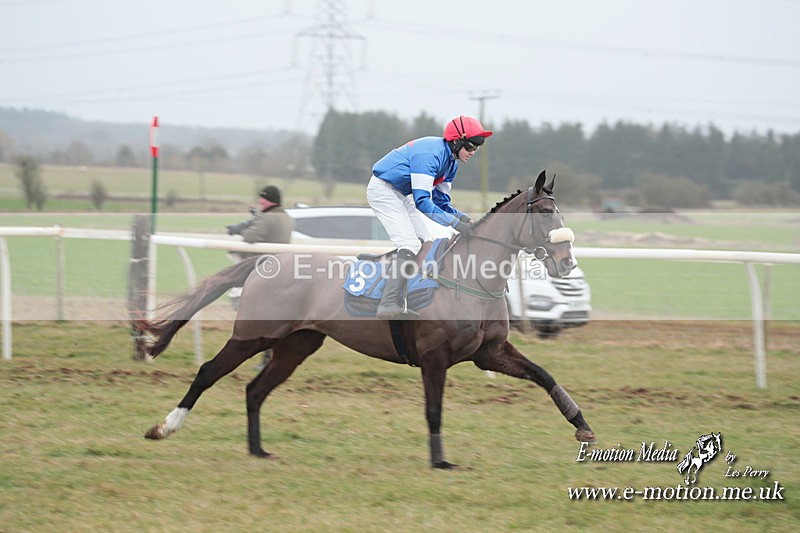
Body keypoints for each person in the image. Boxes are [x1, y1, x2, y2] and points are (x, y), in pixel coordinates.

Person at [367, 115, 493, 320]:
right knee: (409, 243)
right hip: (383, 190)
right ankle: (387, 302)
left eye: (477, 148)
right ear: (456, 141)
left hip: (401, 194)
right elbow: (423, 202)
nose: (472, 152)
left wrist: (465, 220)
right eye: (470, 146)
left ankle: (405, 296)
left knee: (426, 242)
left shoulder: (451, 164)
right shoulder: (430, 155)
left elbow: (442, 203)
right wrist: (454, 223)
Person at [226, 185, 293, 370]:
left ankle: (266, 360)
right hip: (280, 271)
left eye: (262, 199)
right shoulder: (284, 216)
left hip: (267, 273)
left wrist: (251, 222)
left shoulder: (269, 218)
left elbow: (249, 236)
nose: (259, 202)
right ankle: (269, 359)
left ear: (270, 200)